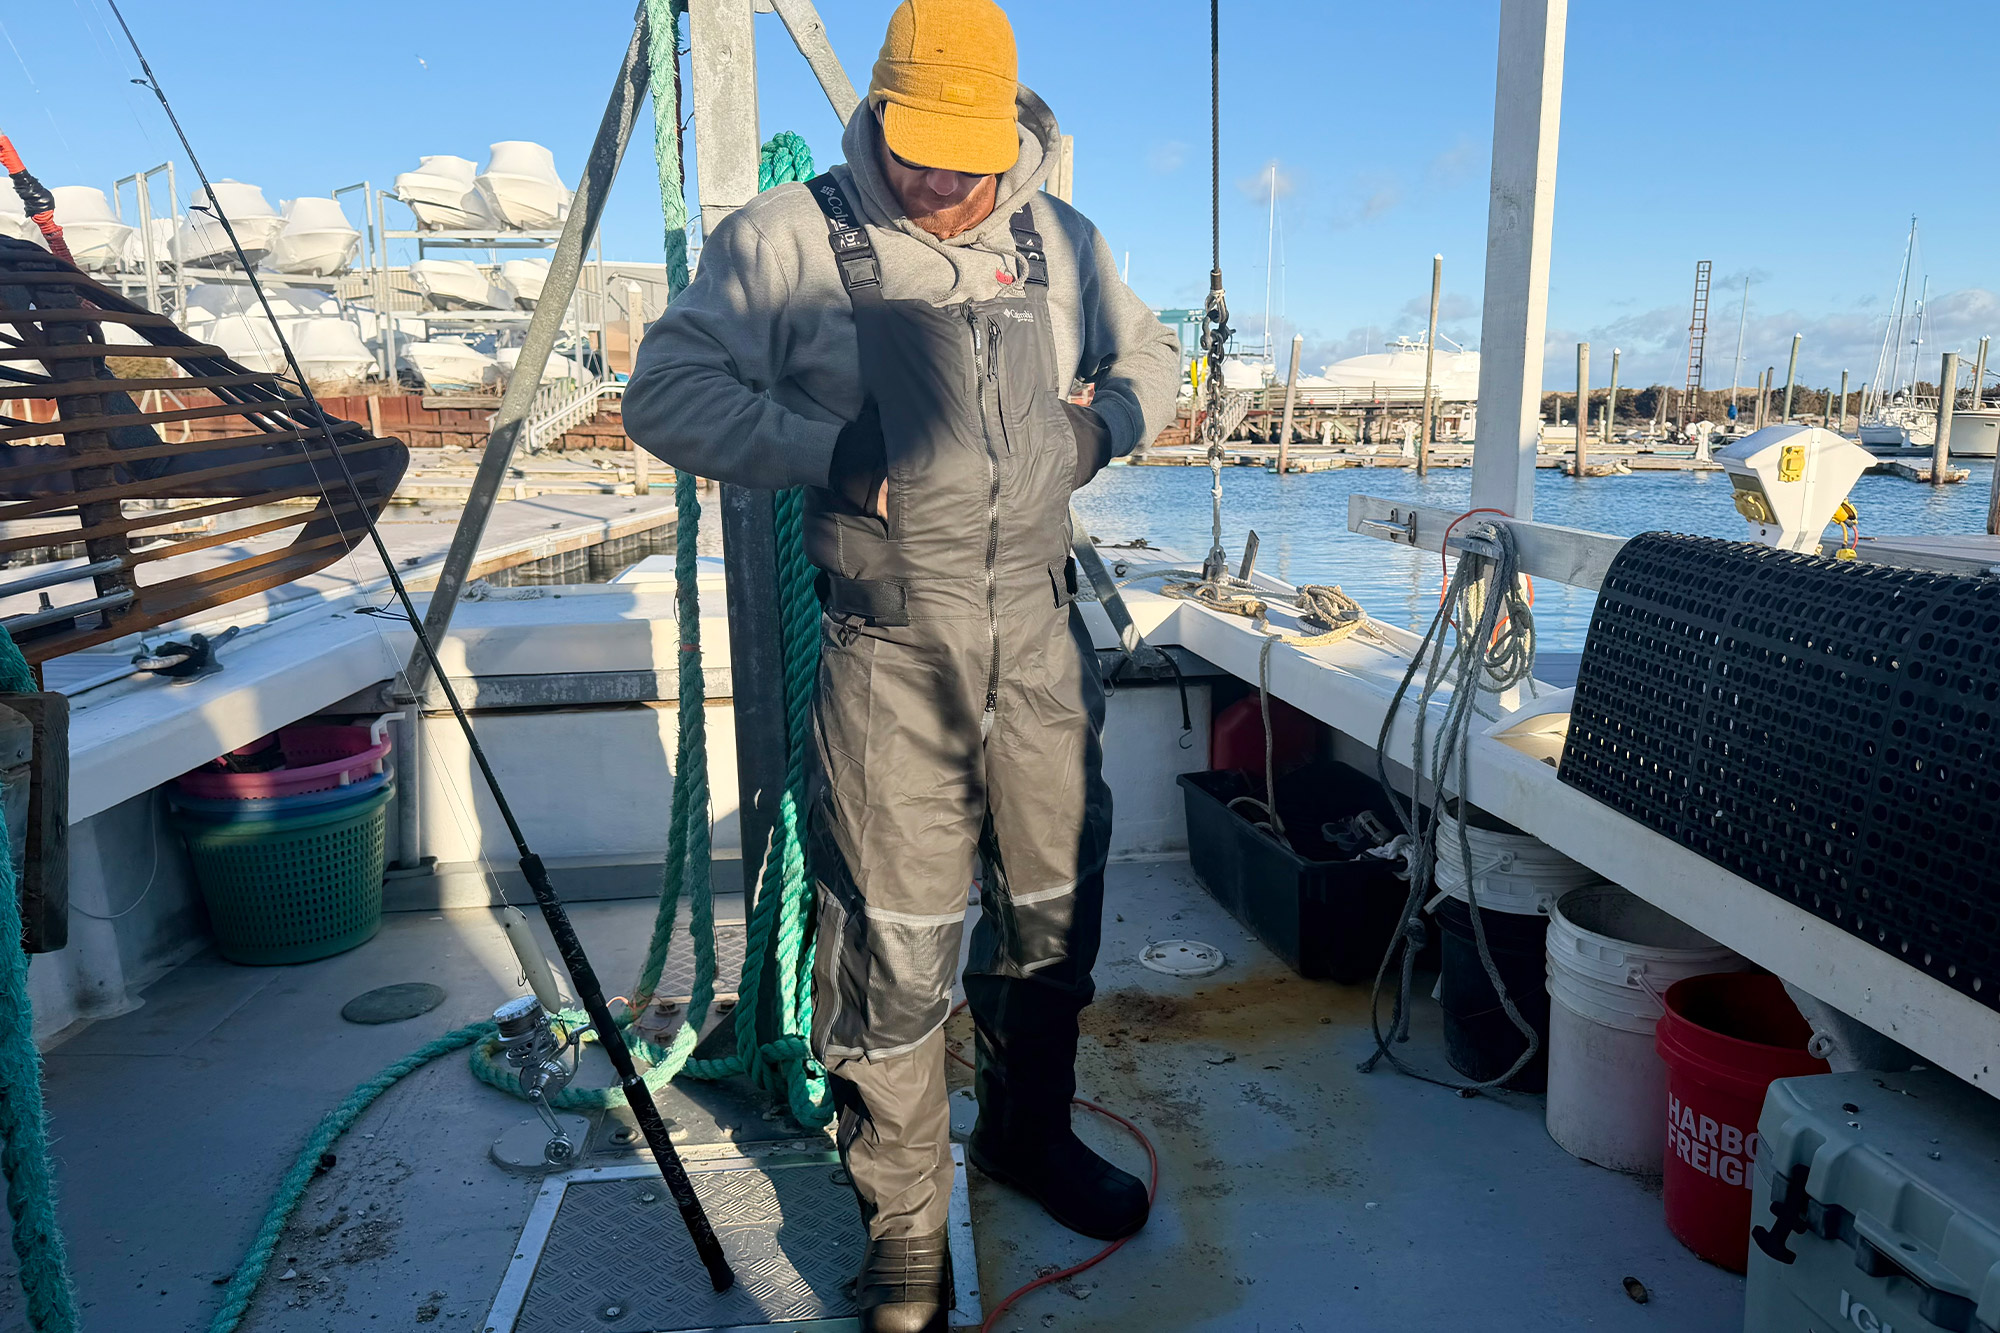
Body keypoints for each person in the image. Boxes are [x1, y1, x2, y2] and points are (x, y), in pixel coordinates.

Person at [623, 1, 1178, 1327]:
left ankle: (1028, 1133)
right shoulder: (785, 240)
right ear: (881, 110)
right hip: (887, 652)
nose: (946, 178)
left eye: (969, 151)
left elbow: (1155, 359)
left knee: (1052, 914)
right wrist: (828, 453)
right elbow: (664, 392)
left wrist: (1099, 427)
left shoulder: (1065, 238)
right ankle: (906, 1229)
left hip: (1041, 644)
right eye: (923, 148)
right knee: (893, 948)